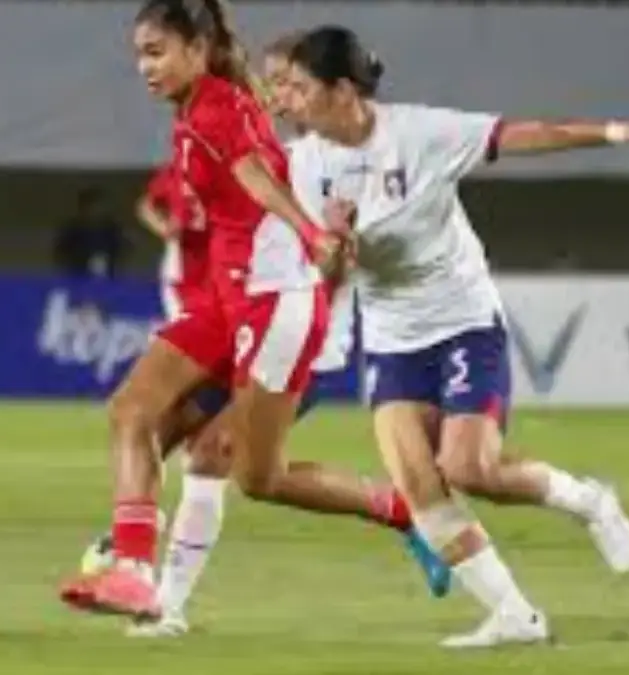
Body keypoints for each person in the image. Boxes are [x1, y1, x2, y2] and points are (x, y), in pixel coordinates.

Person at [284, 24, 629, 648]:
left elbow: (520, 135)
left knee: (470, 468)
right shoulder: (307, 163)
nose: (288, 99)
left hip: (461, 318)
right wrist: (335, 243)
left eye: (299, 86)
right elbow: (331, 272)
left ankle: (589, 501)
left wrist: (617, 132)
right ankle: (515, 616)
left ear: (342, 89)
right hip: (392, 334)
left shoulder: (419, 132)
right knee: (419, 486)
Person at [99, 35, 447, 638]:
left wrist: (334, 247)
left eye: (288, 82)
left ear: (323, 88)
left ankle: (163, 604)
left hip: (301, 338)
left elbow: (338, 270)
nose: (277, 94)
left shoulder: (343, 165)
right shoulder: (259, 143)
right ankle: (132, 555)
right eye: (271, 82)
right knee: (161, 428)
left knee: (223, 461)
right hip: (240, 322)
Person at [60, 0, 381, 620]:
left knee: (258, 478)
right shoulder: (207, 108)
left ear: (196, 51)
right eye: (139, 56)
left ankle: (400, 511)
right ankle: (131, 572)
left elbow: (257, 175)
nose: (145, 68)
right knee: (133, 409)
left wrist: (312, 236)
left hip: (273, 304)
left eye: (156, 52)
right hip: (226, 301)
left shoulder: (213, 109)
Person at [52, 187, 130, 278]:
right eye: (91, 206)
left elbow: (123, 249)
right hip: (78, 276)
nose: (95, 210)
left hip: (107, 277)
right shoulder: (72, 229)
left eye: (98, 206)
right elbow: (59, 253)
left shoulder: (111, 228)